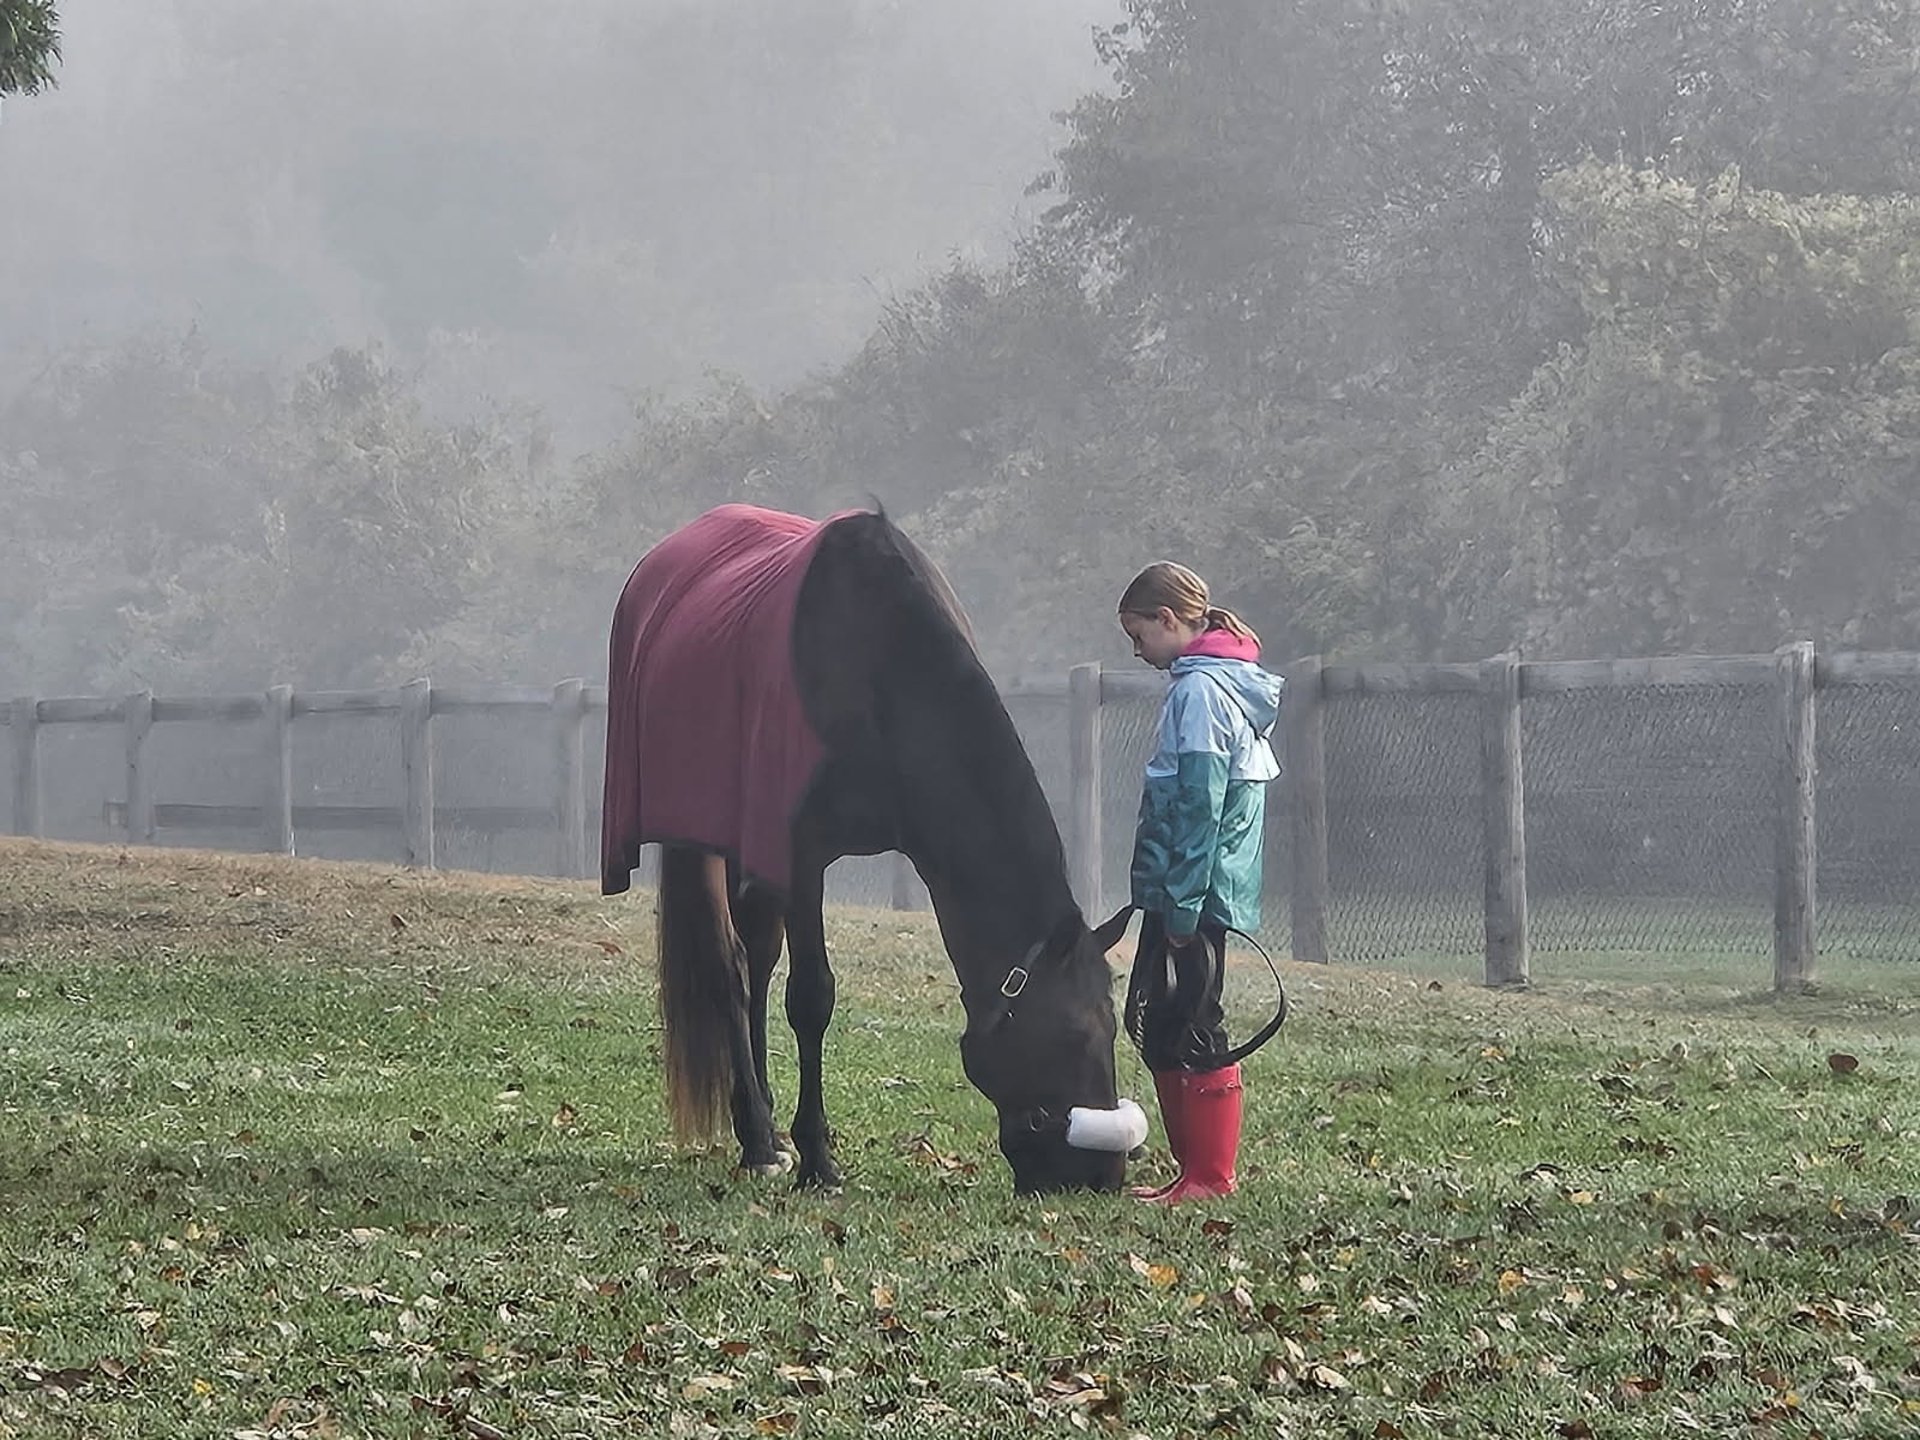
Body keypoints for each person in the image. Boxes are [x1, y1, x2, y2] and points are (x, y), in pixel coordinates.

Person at [1116, 562, 1283, 1203]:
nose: (1137, 651)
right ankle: (1189, 1171)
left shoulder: (1201, 693)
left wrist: (1181, 907)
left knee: (1195, 1022)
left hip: (1197, 894)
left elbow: (1198, 807)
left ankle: (1210, 1178)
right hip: (1183, 892)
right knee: (1163, 1019)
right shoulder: (1205, 685)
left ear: (1167, 620)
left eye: (1139, 635)